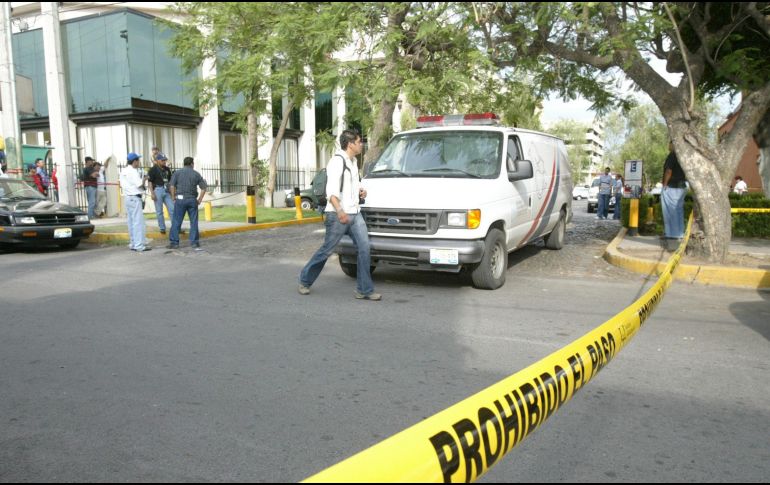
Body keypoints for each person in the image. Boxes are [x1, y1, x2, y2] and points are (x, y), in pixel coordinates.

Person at [298, 129, 381, 301]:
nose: (361, 144)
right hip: (338, 214)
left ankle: (364, 290)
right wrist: (340, 211)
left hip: (355, 213)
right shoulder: (336, 162)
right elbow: (331, 193)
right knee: (327, 251)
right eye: (359, 141)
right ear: (350, 144)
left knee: (364, 249)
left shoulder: (353, 161)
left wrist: (360, 192)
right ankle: (305, 280)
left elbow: (352, 185)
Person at [167, 156, 207, 250]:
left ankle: (174, 242)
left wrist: (173, 197)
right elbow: (204, 188)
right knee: (193, 221)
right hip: (192, 200)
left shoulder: (177, 173)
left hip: (180, 200)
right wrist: (200, 199)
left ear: (184, 164)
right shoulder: (196, 174)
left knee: (177, 221)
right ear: (192, 164)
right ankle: (194, 242)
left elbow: (172, 186)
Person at [119, 152, 151, 252]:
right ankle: (139, 245)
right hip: (134, 197)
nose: (139, 162)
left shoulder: (123, 171)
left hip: (128, 198)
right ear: (134, 161)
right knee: (138, 222)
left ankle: (133, 243)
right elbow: (139, 184)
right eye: (138, 160)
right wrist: (145, 178)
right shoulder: (133, 171)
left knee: (131, 222)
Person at [661, 141, 687, 242]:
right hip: (682, 186)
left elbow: (669, 171)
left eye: (669, 143)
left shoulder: (673, 155)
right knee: (679, 211)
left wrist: (665, 184)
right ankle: (680, 233)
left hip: (672, 186)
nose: (668, 146)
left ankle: (672, 234)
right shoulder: (683, 155)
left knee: (670, 211)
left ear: (672, 145)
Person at [148, 152, 175, 233]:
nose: (164, 162)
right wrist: (152, 193)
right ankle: (162, 228)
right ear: (158, 160)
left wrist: (172, 194)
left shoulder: (167, 169)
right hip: (158, 190)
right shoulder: (153, 170)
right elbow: (149, 182)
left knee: (172, 209)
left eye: (165, 160)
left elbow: (170, 182)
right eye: (162, 160)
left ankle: (175, 226)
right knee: (159, 211)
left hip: (166, 190)